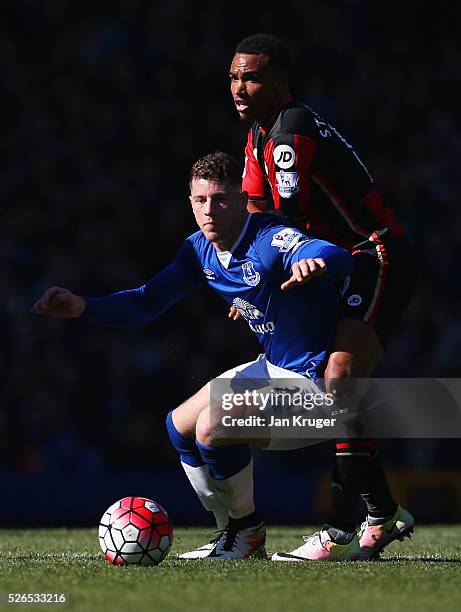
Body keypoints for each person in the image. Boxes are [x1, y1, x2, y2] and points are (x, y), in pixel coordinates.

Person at [32, 151, 354, 560]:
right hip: (273, 368)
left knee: (212, 426)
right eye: (200, 201)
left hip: (317, 388)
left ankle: (246, 530)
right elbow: (147, 301)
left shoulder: (269, 239)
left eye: (220, 199)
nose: (209, 210)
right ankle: (232, 532)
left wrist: (316, 262)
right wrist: (82, 306)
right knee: (178, 425)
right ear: (190, 202)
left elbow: (338, 256)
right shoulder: (198, 250)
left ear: (241, 200)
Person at [223, 33, 415, 561]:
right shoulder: (259, 135)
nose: (240, 87)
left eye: (253, 77)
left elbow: (288, 220)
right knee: (338, 391)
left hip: (373, 255)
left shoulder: (290, 131)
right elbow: (260, 220)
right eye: (235, 76)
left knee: (340, 382)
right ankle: (382, 513)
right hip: (337, 262)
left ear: (280, 81)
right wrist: (248, 282)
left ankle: (340, 528)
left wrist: (265, 278)